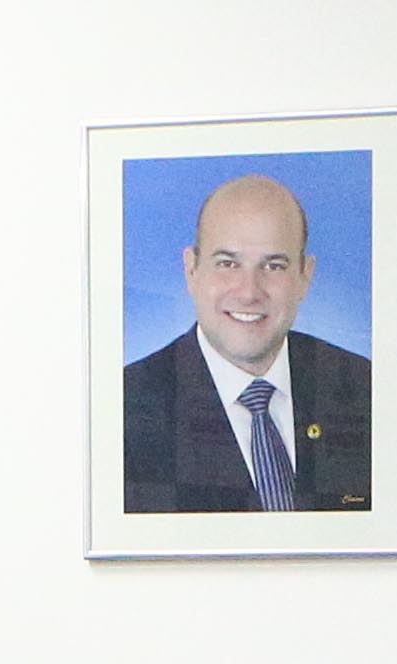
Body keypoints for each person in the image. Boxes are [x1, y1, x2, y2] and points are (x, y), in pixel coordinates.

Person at [121, 172, 374, 513]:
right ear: (191, 270)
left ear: (305, 276)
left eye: (274, 265)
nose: (249, 291)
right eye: (227, 263)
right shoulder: (126, 410)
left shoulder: (367, 390)